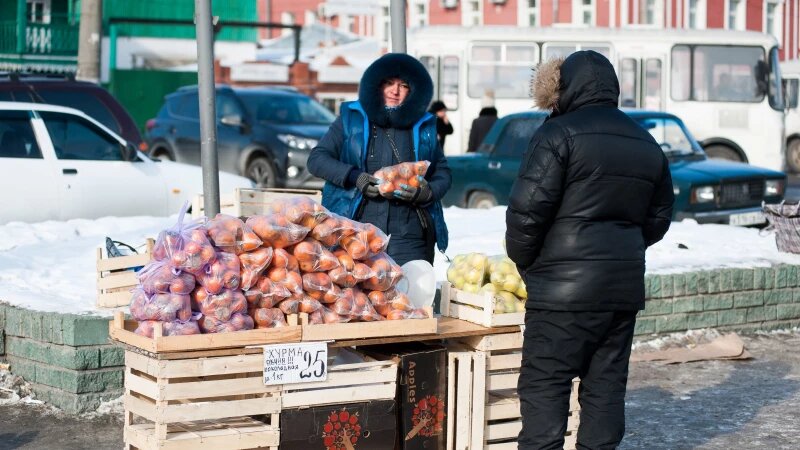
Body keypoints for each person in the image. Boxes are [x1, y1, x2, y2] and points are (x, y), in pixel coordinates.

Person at [506, 51, 674, 449]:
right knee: (606, 388)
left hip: (561, 292)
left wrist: (530, 264)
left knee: (545, 384)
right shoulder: (645, 140)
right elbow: (659, 217)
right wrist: (623, 248)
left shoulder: (557, 134)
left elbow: (526, 214)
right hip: (621, 291)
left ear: (562, 88)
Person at [307, 53, 451, 266]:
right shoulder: (352, 119)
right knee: (359, 287)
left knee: (410, 285)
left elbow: (443, 172)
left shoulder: (423, 126)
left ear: (413, 91)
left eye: (403, 85)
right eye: (389, 83)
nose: (395, 91)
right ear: (376, 85)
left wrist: (427, 192)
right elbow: (317, 159)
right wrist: (355, 177)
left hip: (409, 235)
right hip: (355, 230)